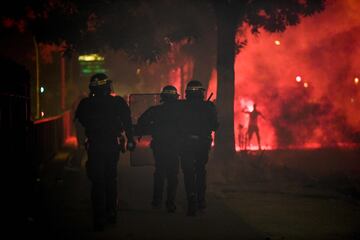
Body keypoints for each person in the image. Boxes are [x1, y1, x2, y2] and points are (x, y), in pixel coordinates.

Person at [75, 73, 136, 231]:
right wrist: (130, 139)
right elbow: (127, 121)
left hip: (95, 146)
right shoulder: (117, 102)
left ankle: (99, 217)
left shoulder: (85, 104)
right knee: (110, 178)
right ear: (108, 86)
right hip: (111, 145)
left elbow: (79, 123)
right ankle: (111, 212)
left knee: (97, 182)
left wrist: (83, 142)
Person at [135, 85, 181, 213]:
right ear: (175, 97)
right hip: (175, 147)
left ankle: (156, 201)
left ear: (163, 97)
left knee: (160, 172)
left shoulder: (155, 111)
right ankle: (170, 203)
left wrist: (151, 129)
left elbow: (141, 122)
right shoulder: (181, 111)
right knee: (172, 175)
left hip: (159, 146)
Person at [179, 80, 219, 216]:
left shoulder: (181, 106)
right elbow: (215, 126)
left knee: (188, 171)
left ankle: (191, 199)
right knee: (200, 170)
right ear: (201, 93)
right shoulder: (208, 106)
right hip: (203, 143)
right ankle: (201, 200)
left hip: (185, 143)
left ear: (187, 93)